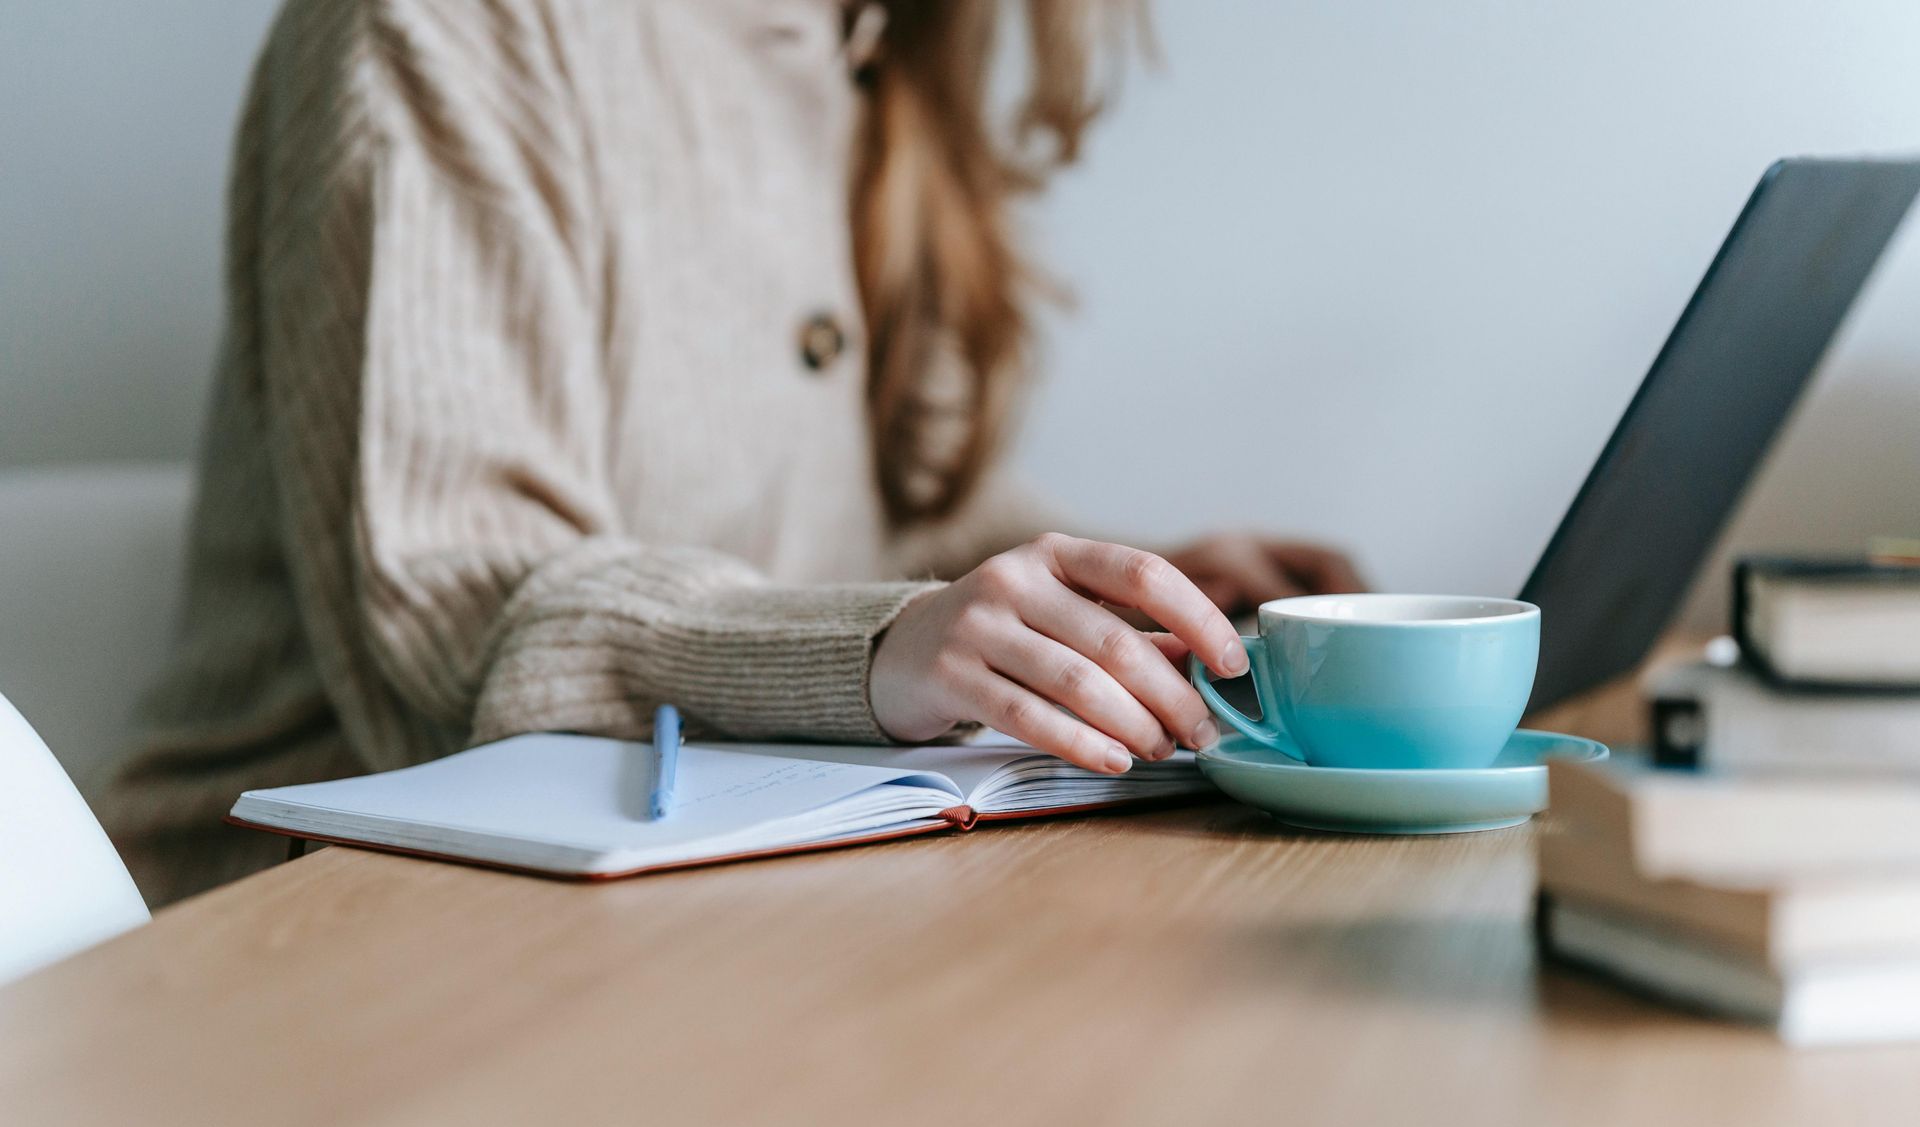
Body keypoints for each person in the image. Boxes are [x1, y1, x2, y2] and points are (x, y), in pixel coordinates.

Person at [102, 0, 1362, 906]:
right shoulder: (443, 30)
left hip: (693, 897)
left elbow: (869, 518)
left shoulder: (862, 44)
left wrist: (1095, 599)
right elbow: (450, 630)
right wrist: (880, 646)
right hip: (310, 925)